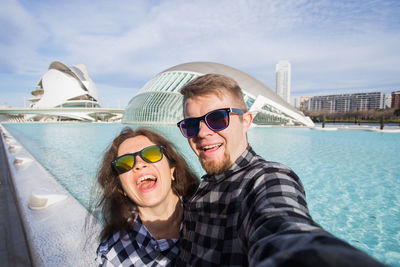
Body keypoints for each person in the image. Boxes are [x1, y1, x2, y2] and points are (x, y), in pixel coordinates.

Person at [176, 74, 384, 266]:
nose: (202, 133)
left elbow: (283, 227)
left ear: (245, 121)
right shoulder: (201, 188)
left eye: (217, 119)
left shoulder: (265, 179)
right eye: (192, 125)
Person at [92, 127, 198, 266]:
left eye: (152, 153)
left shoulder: (212, 214)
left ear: (172, 170)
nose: (139, 164)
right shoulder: (112, 257)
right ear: (121, 188)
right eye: (125, 163)